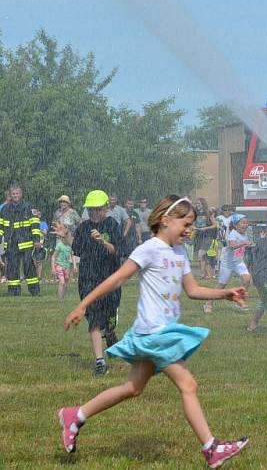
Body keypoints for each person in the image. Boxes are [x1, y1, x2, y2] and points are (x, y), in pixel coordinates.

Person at [58, 195, 249, 468]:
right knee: (188, 385)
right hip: (154, 333)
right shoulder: (149, 248)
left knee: (132, 388)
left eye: (192, 225)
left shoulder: (180, 253)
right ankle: (211, 448)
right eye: (185, 223)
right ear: (165, 219)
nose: (189, 230)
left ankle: (75, 415)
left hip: (160, 332)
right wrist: (82, 305)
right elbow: (117, 278)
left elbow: (193, 290)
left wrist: (225, 293)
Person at [71, 190, 124, 375]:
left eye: (97, 209)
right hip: (88, 279)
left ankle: (110, 332)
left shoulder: (112, 225)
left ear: (105, 208)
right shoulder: (83, 228)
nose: (94, 213)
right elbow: (76, 249)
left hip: (109, 278)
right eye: (91, 209)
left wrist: (102, 241)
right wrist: (65, 237)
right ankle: (100, 361)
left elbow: (118, 251)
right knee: (94, 318)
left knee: (109, 316)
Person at [204, 213, 251, 314]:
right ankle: (208, 303)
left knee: (247, 279)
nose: (245, 225)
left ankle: (239, 300)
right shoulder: (233, 233)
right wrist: (244, 243)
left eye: (246, 223)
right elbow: (233, 245)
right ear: (235, 225)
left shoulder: (244, 233)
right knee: (221, 286)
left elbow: (242, 248)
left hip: (238, 262)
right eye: (243, 223)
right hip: (228, 264)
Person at [0, 184, 43, 296]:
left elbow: (35, 225)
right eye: (13, 194)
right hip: (11, 243)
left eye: (17, 193)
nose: (15, 196)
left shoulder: (29, 207)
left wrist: (37, 240)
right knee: (12, 268)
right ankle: (13, 291)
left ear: (21, 194)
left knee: (29, 267)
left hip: (27, 242)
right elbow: (1, 227)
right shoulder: (5, 209)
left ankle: (34, 291)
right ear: (10, 195)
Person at [193, 198, 218, 280]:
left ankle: (203, 274)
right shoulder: (195, 213)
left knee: (201, 254)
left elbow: (215, 225)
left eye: (199, 204)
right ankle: (205, 274)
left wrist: (206, 228)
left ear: (203, 204)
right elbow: (192, 223)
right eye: (196, 204)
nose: (197, 205)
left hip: (208, 236)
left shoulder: (208, 213)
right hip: (199, 236)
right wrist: (193, 227)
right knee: (202, 257)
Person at [51, 221, 76, 302]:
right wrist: (53, 268)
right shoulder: (59, 245)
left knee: (66, 284)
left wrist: (75, 266)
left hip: (67, 266)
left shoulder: (69, 246)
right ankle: (60, 300)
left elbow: (72, 256)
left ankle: (62, 298)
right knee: (62, 282)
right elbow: (53, 257)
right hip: (59, 265)